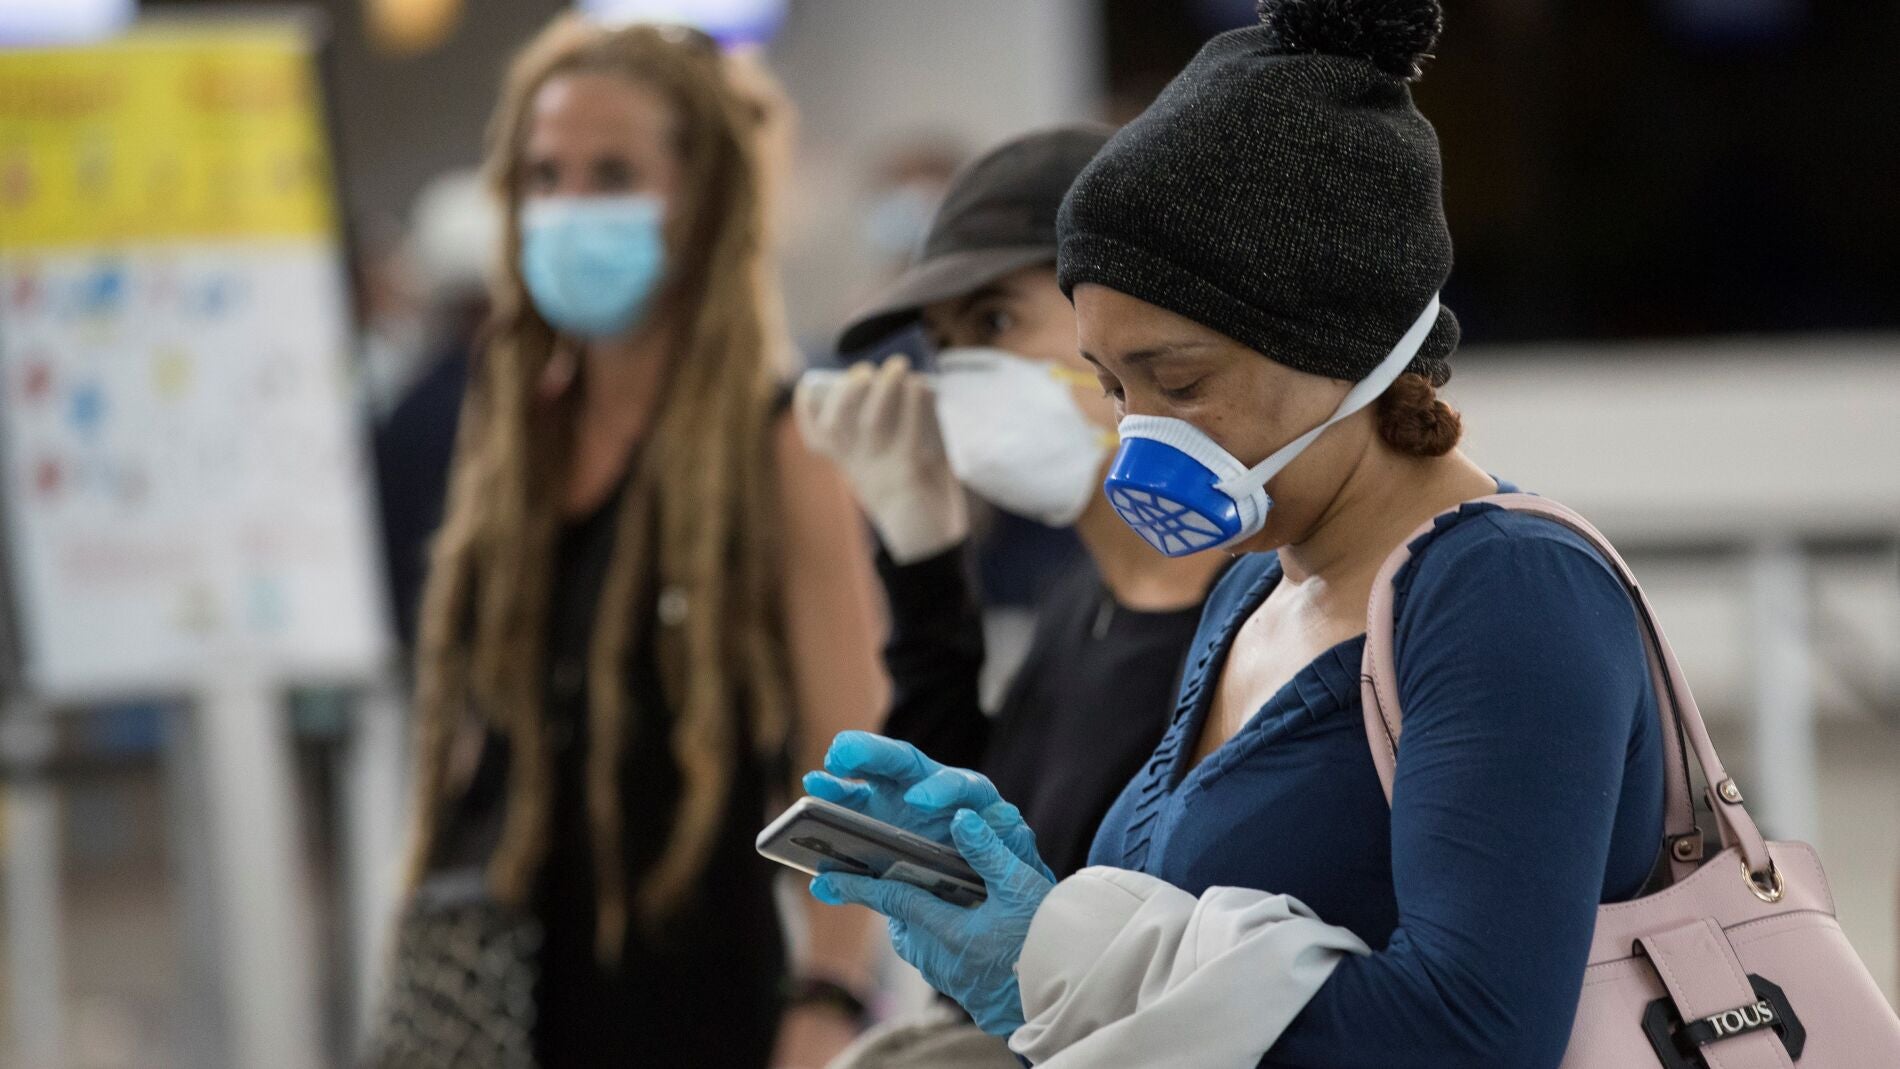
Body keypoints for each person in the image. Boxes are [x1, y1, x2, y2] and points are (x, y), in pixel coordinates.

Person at [805, 3, 1669, 1067]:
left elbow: (1468, 1035)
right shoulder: (1252, 588)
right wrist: (1024, 895)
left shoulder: (1506, 592)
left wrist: (1058, 951)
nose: (1139, 436)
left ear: (1340, 340)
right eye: (1114, 387)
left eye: (1178, 381)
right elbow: (1171, 961)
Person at [398, 17, 883, 1068]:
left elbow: (850, 753)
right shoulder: (518, 424)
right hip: (506, 992)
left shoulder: (778, 444)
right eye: (546, 175)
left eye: (612, 174)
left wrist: (831, 992)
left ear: (699, 198)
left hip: (699, 999)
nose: (570, 206)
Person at [795, 126, 1228, 1067]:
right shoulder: (1085, 603)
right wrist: (923, 553)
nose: (964, 378)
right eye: (944, 344)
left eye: (995, 323)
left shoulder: (1245, 618)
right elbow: (964, 870)